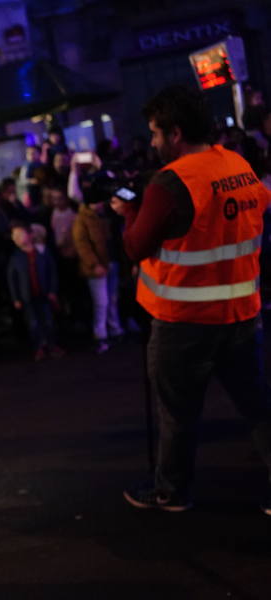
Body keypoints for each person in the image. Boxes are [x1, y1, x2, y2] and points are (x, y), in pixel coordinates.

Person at [111, 85, 271, 515]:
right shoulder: (238, 164)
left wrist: (128, 214)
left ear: (176, 133)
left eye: (156, 134)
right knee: (259, 407)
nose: (153, 143)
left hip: (185, 320)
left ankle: (171, 491)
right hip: (242, 313)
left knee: (177, 412)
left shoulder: (171, 182)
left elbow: (135, 247)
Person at [73, 193, 124, 353]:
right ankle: (101, 334)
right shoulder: (83, 220)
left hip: (110, 262)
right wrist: (94, 264)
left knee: (111, 299)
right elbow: (82, 245)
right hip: (98, 266)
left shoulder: (103, 216)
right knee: (101, 302)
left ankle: (114, 330)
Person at [7, 222, 62, 361]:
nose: (17, 238)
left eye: (20, 235)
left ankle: (52, 345)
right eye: (14, 236)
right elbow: (12, 279)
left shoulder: (42, 252)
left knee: (48, 321)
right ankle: (38, 347)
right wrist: (16, 298)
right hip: (27, 297)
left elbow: (52, 271)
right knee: (33, 323)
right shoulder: (15, 257)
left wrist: (52, 290)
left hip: (44, 294)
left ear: (30, 235)